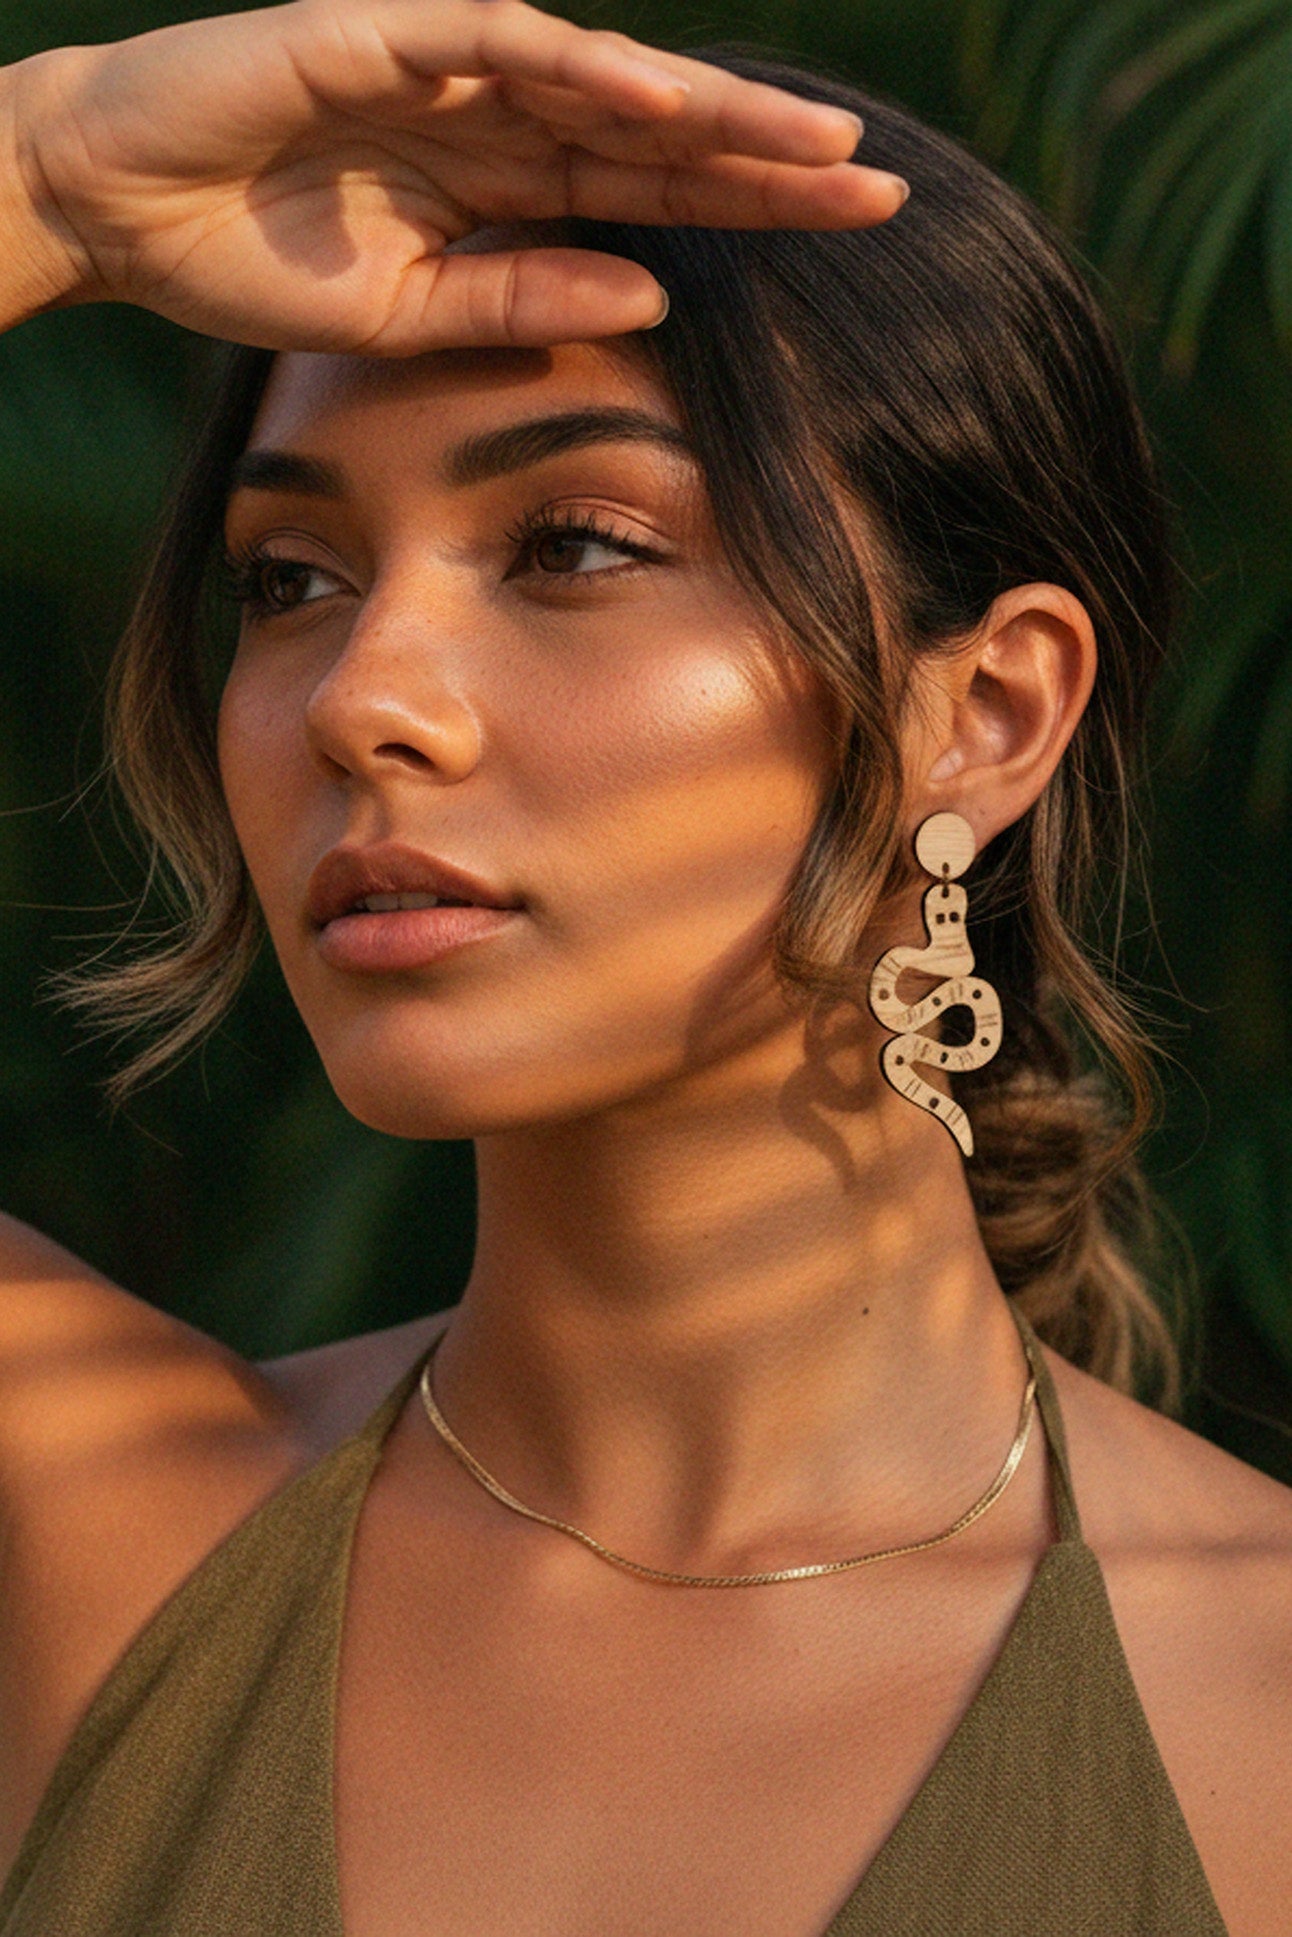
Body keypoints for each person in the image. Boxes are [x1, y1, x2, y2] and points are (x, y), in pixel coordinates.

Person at [0, 3, 1288, 1932]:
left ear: (991, 710)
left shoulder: (1258, 1716)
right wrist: (38, 174)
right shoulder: (78, 1526)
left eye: (576, 546)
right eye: (291, 580)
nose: (364, 699)